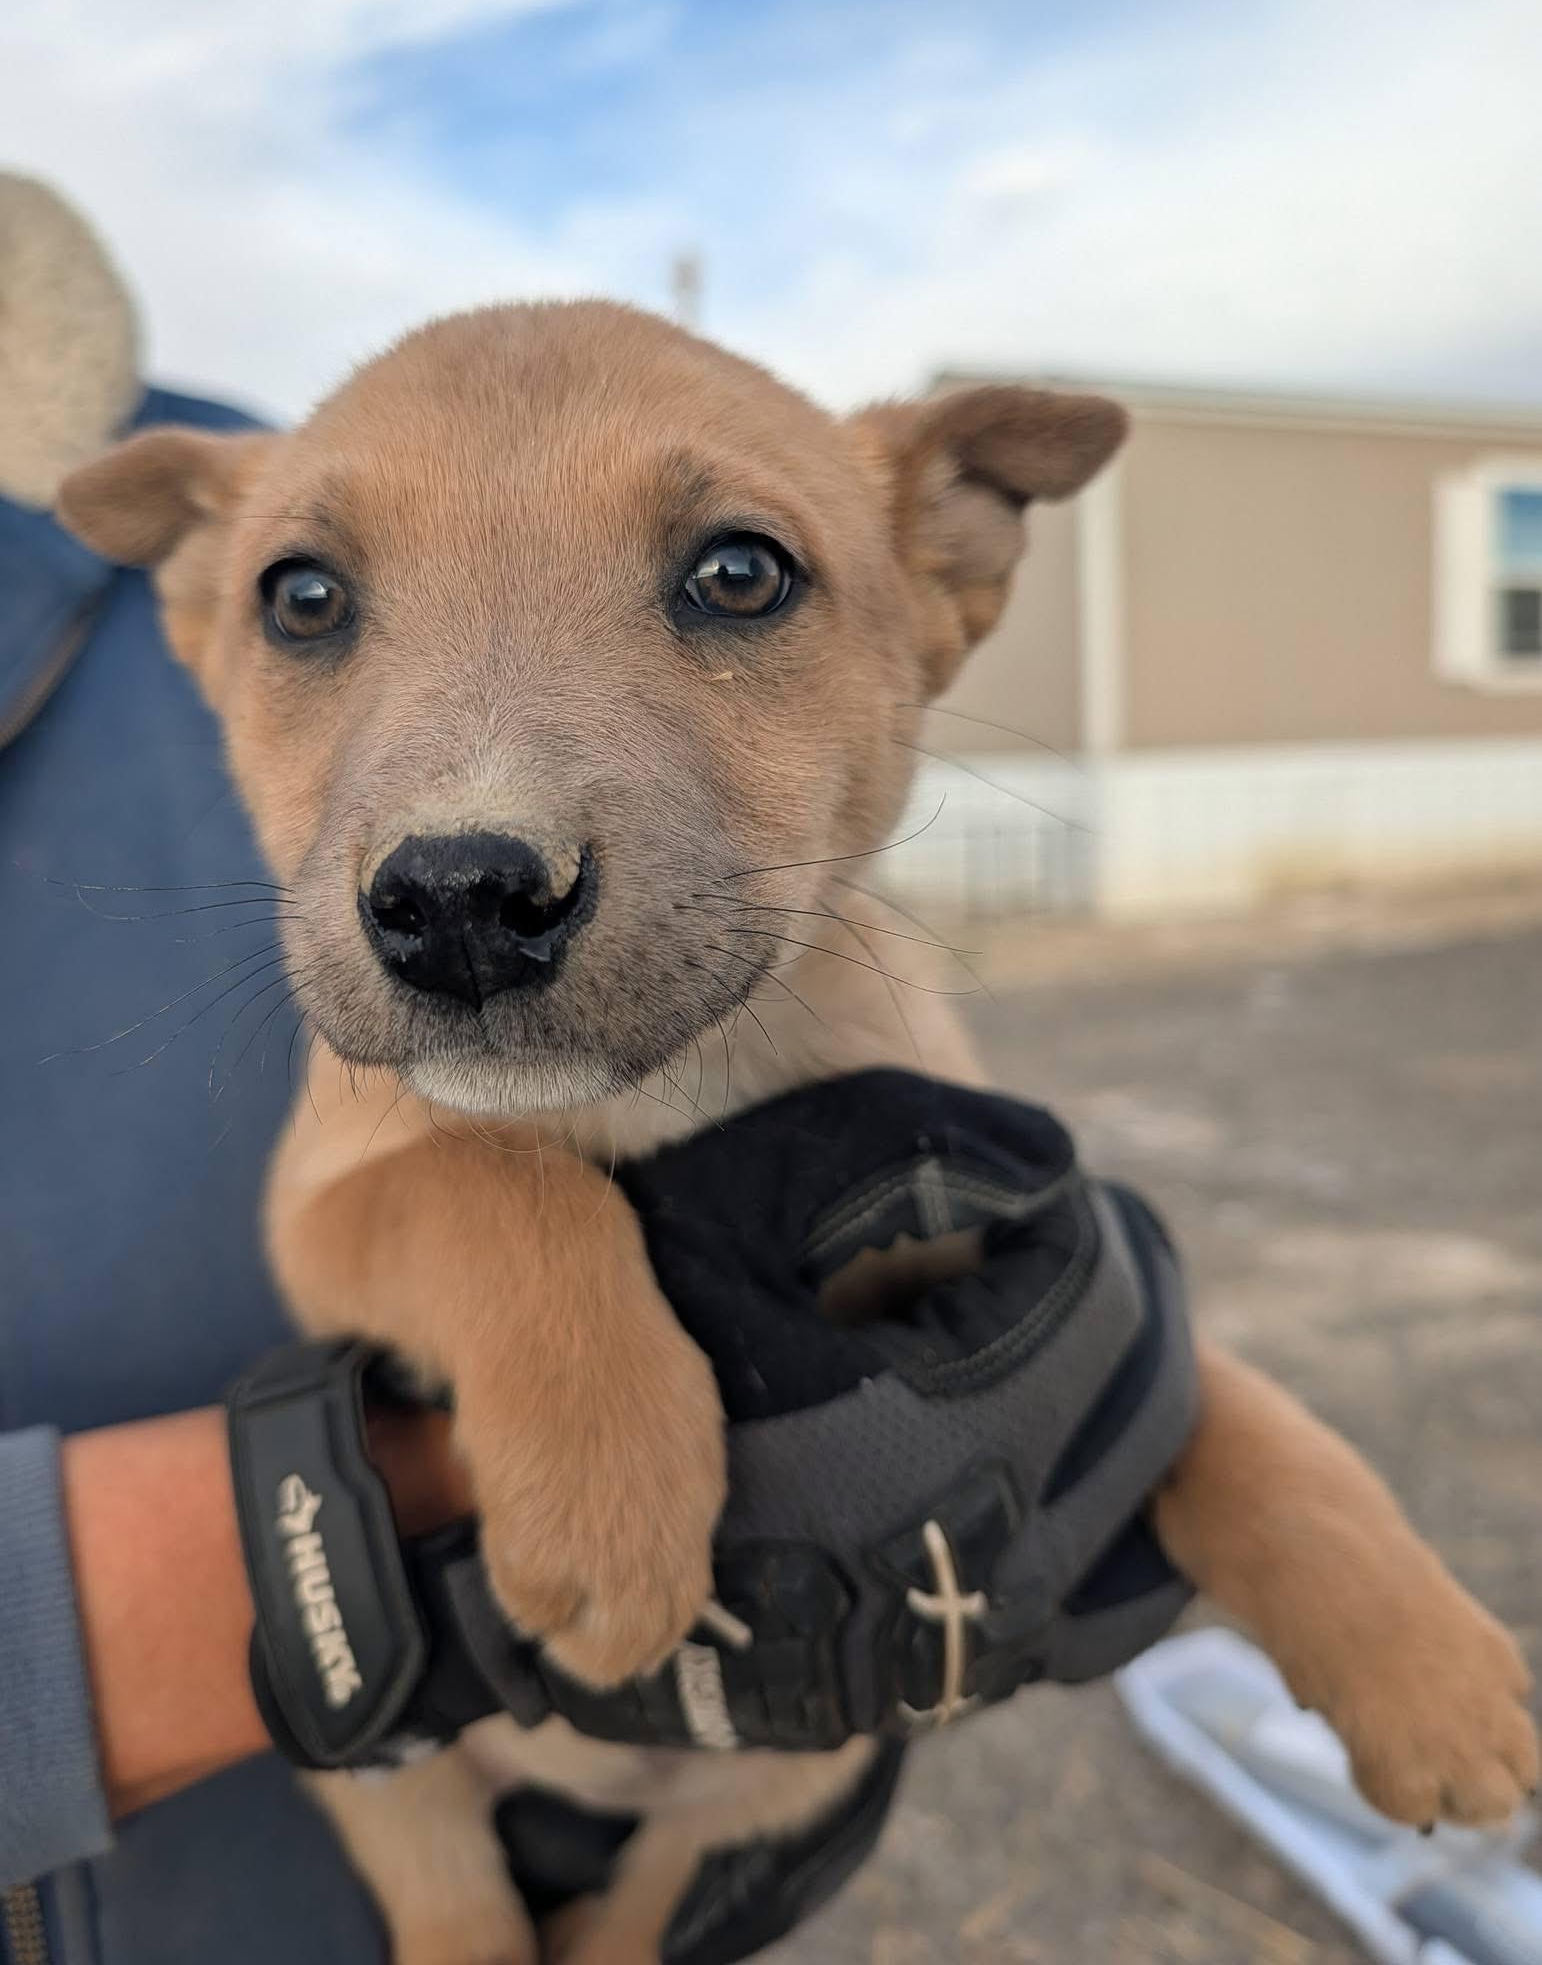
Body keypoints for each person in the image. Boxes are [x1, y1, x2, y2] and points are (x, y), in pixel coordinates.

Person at [0, 175, 1194, 1965]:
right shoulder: (242, 515)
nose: (462, 843)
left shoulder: (293, 462)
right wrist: (325, 1551)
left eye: (732, 575)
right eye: (313, 602)